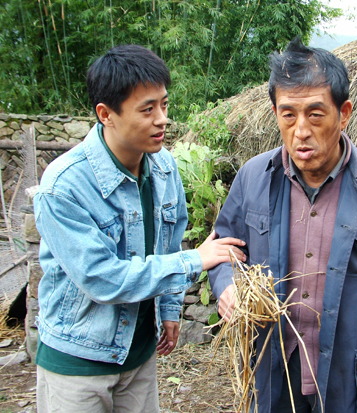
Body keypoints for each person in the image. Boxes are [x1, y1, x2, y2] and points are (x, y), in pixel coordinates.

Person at [209, 37, 357, 413]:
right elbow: (223, 250)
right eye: (288, 114)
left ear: (343, 114)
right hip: (273, 373)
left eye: (315, 114)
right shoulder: (252, 179)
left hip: (351, 383)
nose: (300, 130)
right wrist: (228, 286)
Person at [33, 44, 246, 413]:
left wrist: (169, 308)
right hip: (79, 363)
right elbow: (101, 277)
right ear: (106, 114)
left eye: (163, 104)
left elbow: (169, 238)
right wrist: (194, 260)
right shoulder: (64, 186)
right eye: (147, 109)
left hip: (139, 355)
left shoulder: (163, 166)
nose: (162, 118)